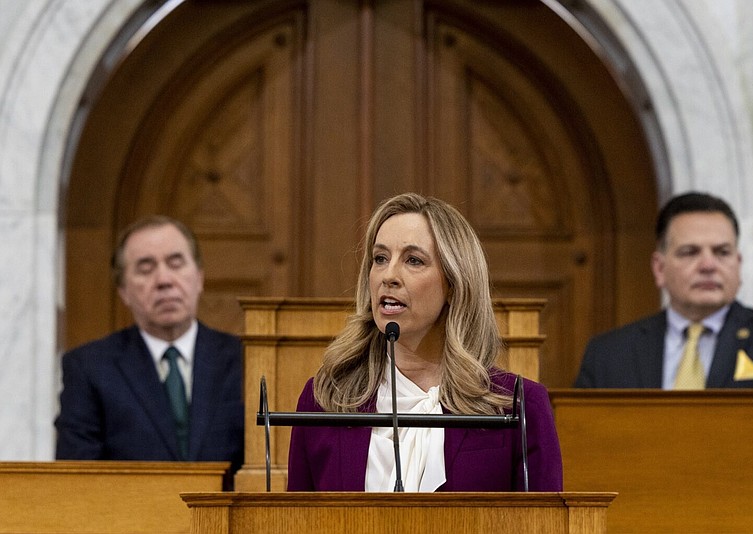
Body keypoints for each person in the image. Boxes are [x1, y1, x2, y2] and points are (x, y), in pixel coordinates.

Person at [286, 193, 563, 492]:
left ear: (455, 284)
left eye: (413, 260)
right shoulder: (325, 401)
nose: (388, 275)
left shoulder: (517, 406)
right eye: (380, 259)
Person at [55, 215, 244, 477]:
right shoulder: (89, 368)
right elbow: (78, 477)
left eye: (176, 263)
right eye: (145, 268)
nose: (164, 280)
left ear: (199, 277)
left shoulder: (244, 359)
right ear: (123, 291)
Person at [574, 191, 753, 388]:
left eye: (722, 252)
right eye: (690, 252)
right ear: (659, 268)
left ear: (738, 263)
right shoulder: (608, 354)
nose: (708, 265)